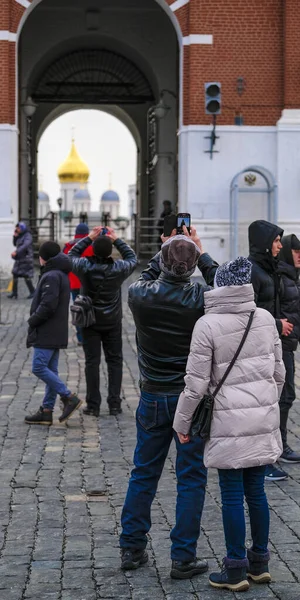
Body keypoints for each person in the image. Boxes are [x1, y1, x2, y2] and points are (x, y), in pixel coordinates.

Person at [174, 257, 285, 592]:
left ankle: (235, 569)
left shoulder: (207, 325)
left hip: (226, 421)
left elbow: (195, 384)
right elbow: (279, 373)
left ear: (219, 285)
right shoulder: (264, 318)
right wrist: (265, 402)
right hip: (262, 417)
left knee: (232, 494)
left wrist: (183, 422)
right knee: (258, 491)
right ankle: (260, 563)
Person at [120, 227, 218, 579]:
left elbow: (147, 275)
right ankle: (183, 557)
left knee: (144, 472)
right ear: (192, 268)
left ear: (161, 263)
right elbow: (226, 287)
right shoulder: (203, 299)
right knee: (191, 478)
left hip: (152, 395)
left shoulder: (139, 295)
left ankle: (131, 547)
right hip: (190, 398)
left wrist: (166, 249)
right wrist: (199, 251)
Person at [68, 226, 137, 417]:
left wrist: (89, 238)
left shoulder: (84, 267)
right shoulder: (118, 268)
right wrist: (117, 240)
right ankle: (115, 404)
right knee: (115, 361)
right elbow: (132, 259)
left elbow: (70, 255)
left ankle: (93, 405)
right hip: (112, 320)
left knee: (92, 362)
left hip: (90, 321)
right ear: (110, 251)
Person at [248, 219, 292, 482]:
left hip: (273, 344)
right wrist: (277, 323)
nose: (279, 246)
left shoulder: (270, 268)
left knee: (277, 401)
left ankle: (273, 453)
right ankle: (262, 461)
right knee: (263, 406)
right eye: (276, 241)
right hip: (259, 346)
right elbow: (248, 312)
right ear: (265, 243)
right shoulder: (253, 271)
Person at [25, 241, 82, 426]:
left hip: (47, 330)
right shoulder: (60, 273)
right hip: (55, 330)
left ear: (44, 258)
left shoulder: (51, 276)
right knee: (51, 370)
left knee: (39, 367)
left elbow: (48, 305)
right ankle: (47, 410)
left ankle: (68, 396)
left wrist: (33, 320)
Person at [277, 234, 300, 463]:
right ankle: (278, 446)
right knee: (284, 396)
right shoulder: (281, 276)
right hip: (280, 344)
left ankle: (279, 445)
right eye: (296, 252)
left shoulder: (292, 276)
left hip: (288, 343)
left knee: (286, 396)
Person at [63, 223, 94, 345]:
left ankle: (81, 337)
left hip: (74, 284)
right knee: (90, 309)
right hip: (89, 283)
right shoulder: (92, 246)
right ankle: (90, 335)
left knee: (78, 310)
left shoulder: (68, 246)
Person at [8, 222, 35, 299]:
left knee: (26, 276)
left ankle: (33, 291)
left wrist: (16, 252)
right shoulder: (20, 235)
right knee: (15, 274)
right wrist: (15, 237)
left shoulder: (27, 236)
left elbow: (25, 246)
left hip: (26, 259)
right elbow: (15, 244)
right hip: (20, 259)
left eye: (18, 228)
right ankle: (14, 292)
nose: (17, 229)